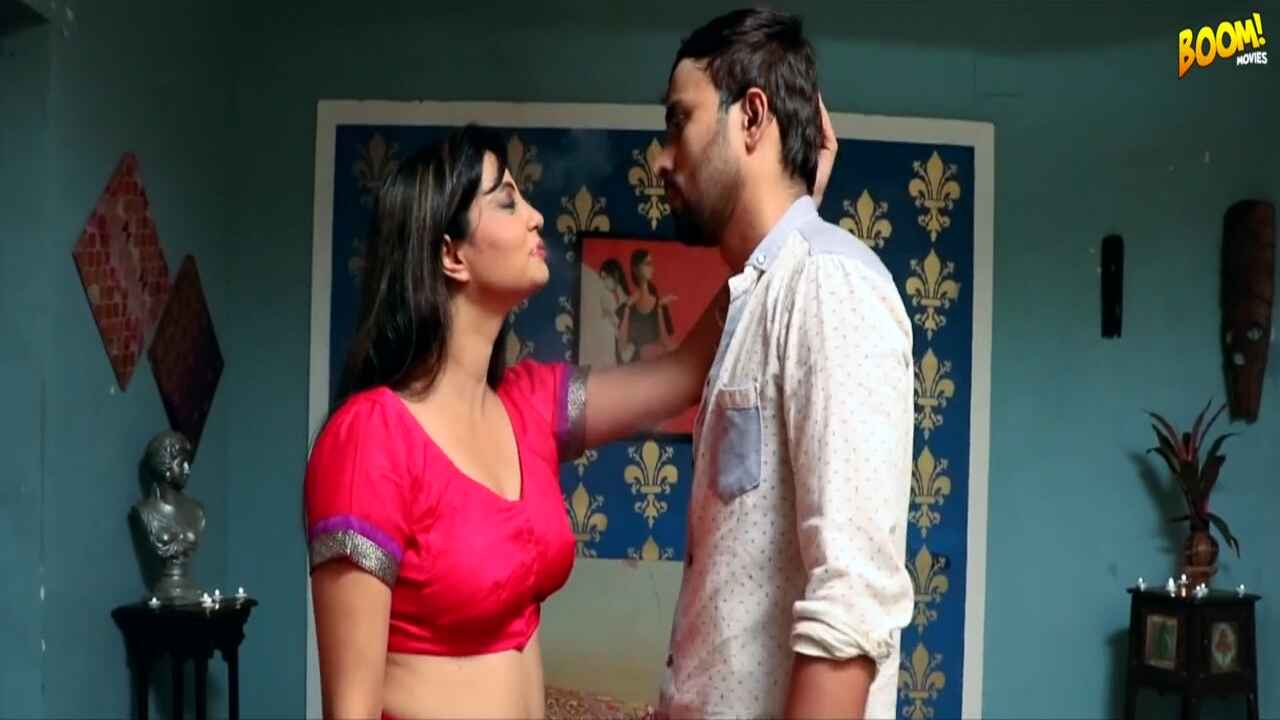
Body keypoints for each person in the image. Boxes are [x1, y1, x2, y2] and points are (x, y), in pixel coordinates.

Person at [302, 122, 829, 719]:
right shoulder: (371, 437)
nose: (535, 217)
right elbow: (350, 708)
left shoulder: (530, 405)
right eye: (506, 201)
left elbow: (683, 373)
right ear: (451, 254)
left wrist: (787, 219)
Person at [652, 8, 915, 720]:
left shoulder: (830, 285)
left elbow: (850, 603)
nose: (661, 159)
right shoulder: (764, 296)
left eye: (678, 122)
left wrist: (803, 228)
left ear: (751, 117)